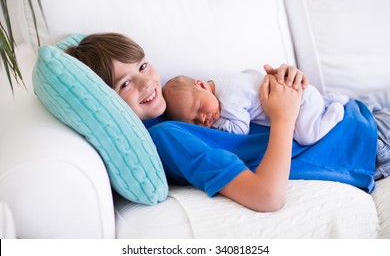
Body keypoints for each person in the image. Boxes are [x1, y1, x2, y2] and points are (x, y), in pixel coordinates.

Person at [65, 33, 387, 212]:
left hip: (348, 110)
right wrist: (284, 115)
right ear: (106, 99)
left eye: (144, 66)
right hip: (363, 143)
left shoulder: (174, 106)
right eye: (124, 84)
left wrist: (290, 84)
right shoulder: (169, 137)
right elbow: (267, 197)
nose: (146, 83)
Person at [162, 71, 350, 146]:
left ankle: (335, 107)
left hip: (301, 101)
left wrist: (216, 124)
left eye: (199, 108)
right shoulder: (223, 82)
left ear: (201, 85)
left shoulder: (227, 101)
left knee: (307, 137)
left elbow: (240, 130)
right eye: (195, 121)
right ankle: (326, 102)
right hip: (300, 97)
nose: (203, 119)